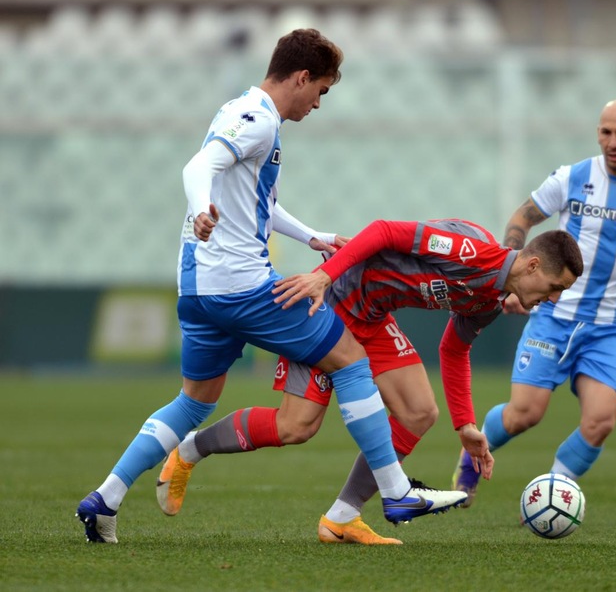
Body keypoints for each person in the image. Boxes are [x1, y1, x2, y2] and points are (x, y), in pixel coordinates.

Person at [75, 29, 466, 544]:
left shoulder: (240, 110)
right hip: (241, 287)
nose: (319, 104)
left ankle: (105, 498)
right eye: (321, 91)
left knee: (193, 401)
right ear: (302, 77)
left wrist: (314, 237)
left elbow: (256, 202)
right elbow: (198, 168)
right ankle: (395, 491)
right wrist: (199, 212)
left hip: (198, 291)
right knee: (350, 358)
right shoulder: (259, 121)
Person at [155, 218, 583, 544]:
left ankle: (341, 518)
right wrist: (325, 274)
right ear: (531, 265)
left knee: (419, 412)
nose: (554, 298)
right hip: (332, 301)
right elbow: (383, 231)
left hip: (372, 318)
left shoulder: (491, 299)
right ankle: (191, 448)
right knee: (296, 427)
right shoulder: (470, 251)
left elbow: (454, 349)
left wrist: (465, 424)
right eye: (554, 286)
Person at [452, 98, 616, 505]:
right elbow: (522, 217)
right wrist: (513, 273)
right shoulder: (571, 177)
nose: (612, 141)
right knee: (525, 414)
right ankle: (469, 464)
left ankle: (553, 495)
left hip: (608, 328)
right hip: (554, 315)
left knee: (601, 421)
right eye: (606, 131)